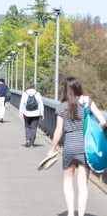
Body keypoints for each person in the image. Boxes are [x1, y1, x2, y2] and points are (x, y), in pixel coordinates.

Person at [47, 77, 106, 216]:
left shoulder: (61, 106)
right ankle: (81, 214)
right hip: (85, 145)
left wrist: (52, 148)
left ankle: (70, 214)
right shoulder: (87, 101)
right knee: (83, 184)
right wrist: (94, 131)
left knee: (68, 181)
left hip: (69, 145)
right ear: (78, 87)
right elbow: (103, 121)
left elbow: (58, 130)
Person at [18, 82, 44, 147]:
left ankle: (27, 139)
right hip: (36, 113)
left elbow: (22, 104)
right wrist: (42, 113)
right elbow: (40, 104)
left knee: (27, 126)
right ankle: (32, 143)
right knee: (34, 128)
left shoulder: (25, 93)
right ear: (34, 86)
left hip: (27, 113)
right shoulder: (37, 93)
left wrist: (21, 113)